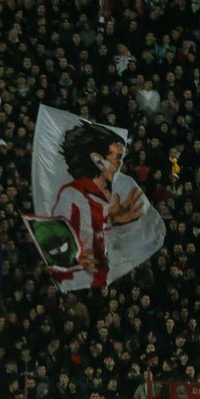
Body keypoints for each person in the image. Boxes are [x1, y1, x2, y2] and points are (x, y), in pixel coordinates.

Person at [51, 121, 144, 288]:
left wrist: (114, 223)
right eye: (117, 157)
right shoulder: (72, 194)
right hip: (79, 282)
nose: (120, 164)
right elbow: (55, 240)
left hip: (102, 279)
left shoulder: (108, 198)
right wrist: (75, 258)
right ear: (98, 160)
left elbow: (105, 239)